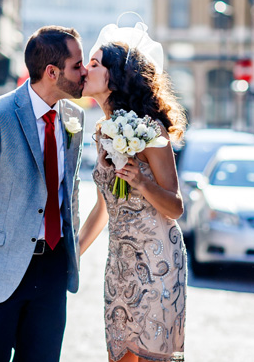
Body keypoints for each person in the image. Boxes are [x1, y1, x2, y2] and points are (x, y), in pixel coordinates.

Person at [0, 25, 86, 362]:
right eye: (77, 66)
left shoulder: (74, 117)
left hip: (53, 268)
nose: (85, 72)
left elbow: (69, 192)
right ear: (52, 72)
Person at [78, 21, 187, 362]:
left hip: (158, 263)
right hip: (120, 264)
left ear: (115, 76)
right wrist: (73, 253)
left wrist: (142, 182)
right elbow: (102, 208)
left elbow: (175, 207)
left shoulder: (150, 130)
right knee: (119, 355)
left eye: (94, 64)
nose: (85, 68)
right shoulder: (101, 133)